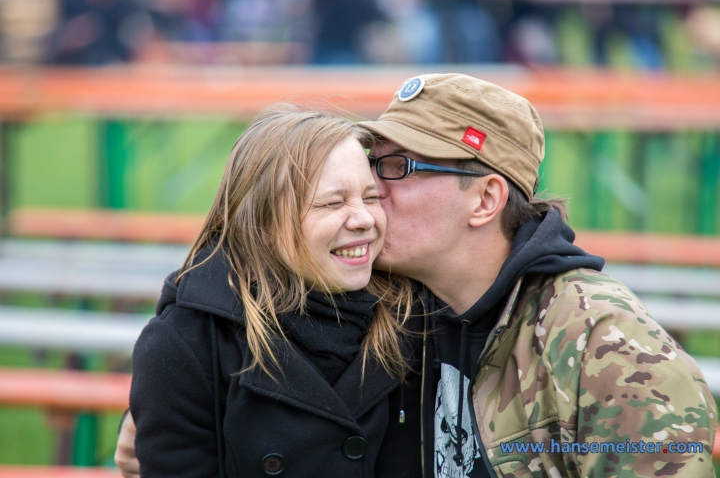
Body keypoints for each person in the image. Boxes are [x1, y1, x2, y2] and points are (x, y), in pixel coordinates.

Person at [118, 74, 717, 477]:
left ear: (484, 200)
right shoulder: (401, 301)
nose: (372, 190)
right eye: (371, 160)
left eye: (397, 165)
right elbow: (242, 273)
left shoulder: (600, 346)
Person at [127, 104, 423, 477]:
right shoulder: (189, 344)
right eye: (332, 202)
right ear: (262, 225)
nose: (364, 219)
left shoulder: (412, 314)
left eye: (370, 197)